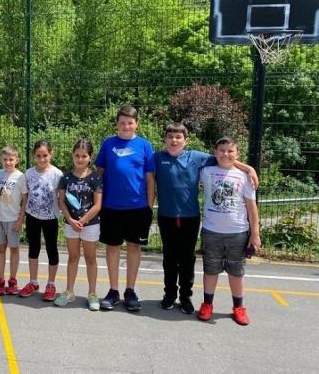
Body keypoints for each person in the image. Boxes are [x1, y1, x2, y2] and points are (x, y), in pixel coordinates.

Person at [155, 123, 258, 314]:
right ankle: (169, 294)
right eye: (170, 137)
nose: (174, 140)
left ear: (186, 141)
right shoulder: (157, 158)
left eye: (178, 137)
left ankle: (185, 296)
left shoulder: (196, 157)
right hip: (166, 216)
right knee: (169, 258)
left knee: (187, 259)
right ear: (165, 139)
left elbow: (225, 159)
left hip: (190, 218)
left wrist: (249, 168)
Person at [95, 105, 155, 312]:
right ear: (117, 124)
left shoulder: (145, 146)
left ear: (136, 124)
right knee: (112, 247)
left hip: (137, 207)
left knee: (133, 247)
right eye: (122, 122)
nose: (126, 126)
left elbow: (149, 179)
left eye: (130, 122)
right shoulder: (108, 144)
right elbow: (99, 174)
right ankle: (113, 291)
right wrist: (98, 203)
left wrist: (148, 205)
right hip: (111, 206)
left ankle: (130, 290)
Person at [197, 137, 261, 326]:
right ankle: (207, 304)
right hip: (211, 231)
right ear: (215, 152)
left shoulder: (244, 177)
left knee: (236, 272)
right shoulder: (206, 171)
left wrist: (255, 233)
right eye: (222, 150)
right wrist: (249, 166)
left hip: (238, 232)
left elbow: (251, 208)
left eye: (230, 151)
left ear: (237, 154)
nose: (226, 154)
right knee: (211, 270)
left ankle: (238, 307)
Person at [55, 139, 103, 310]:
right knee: (73, 257)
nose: (80, 159)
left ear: (90, 158)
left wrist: (82, 221)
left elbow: (98, 205)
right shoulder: (65, 178)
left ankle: (92, 293)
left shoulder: (95, 178)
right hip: (71, 224)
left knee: (90, 258)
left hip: (90, 225)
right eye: (77, 155)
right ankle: (69, 291)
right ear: (72, 156)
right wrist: (71, 220)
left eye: (84, 156)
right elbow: (61, 202)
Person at [19, 139, 63, 301]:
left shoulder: (57, 174)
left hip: (50, 218)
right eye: (38, 156)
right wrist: (21, 217)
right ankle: (33, 281)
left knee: (52, 249)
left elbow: (62, 198)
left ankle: (51, 284)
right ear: (33, 156)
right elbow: (25, 197)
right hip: (32, 216)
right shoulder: (29, 174)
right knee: (33, 248)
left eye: (45, 155)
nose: (42, 159)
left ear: (51, 154)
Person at [0, 146, 27, 296]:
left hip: (13, 219)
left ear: (17, 160)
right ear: (1, 160)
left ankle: (12, 281)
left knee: (14, 249)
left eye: (11, 160)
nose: (8, 162)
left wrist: (21, 219)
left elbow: (25, 200)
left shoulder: (20, 177)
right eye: (5, 159)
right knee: (0, 249)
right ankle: (0, 280)